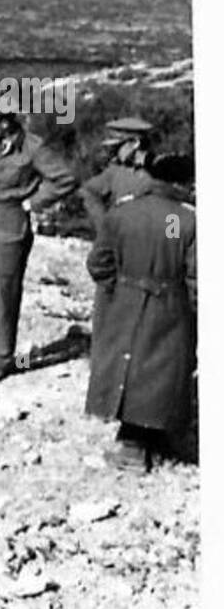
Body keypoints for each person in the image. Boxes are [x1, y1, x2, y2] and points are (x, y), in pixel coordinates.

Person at [0, 100, 78, 381]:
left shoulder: (33, 147)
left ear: (5, 122)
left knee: (5, 292)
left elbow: (65, 178)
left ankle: (1, 360)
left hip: (11, 221)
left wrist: (33, 203)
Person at [85, 154, 196, 471]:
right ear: (182, 183)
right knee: (159, 370)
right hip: (169, 301)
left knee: (127, 366)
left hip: (124, 298)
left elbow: (98, 264)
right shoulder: (179, 218)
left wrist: (117, 289)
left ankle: (138, 441)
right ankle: (139, 444)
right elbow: (180, 257)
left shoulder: (122, 212)